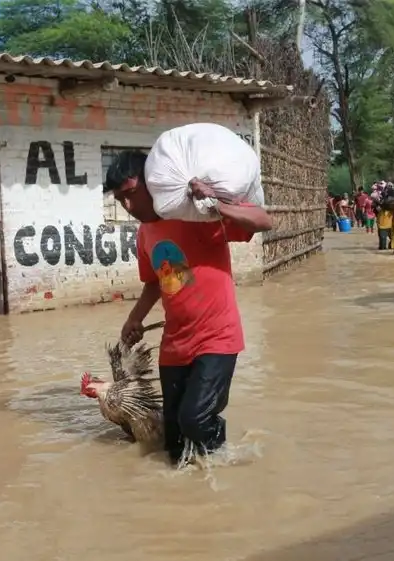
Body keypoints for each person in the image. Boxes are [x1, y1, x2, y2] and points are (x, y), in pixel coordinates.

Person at [104, 150, 273, 467]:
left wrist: (215, 204)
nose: (127, 207)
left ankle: (224, 466)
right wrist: (134, 318)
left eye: (130, 195)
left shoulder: (196, 216)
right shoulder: (145, 234)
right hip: (176, 343)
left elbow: (264, 221)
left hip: (217, 338)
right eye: (119, 200)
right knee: (175, 444)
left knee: (194, 419)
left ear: (152, 182)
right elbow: (156, 282)